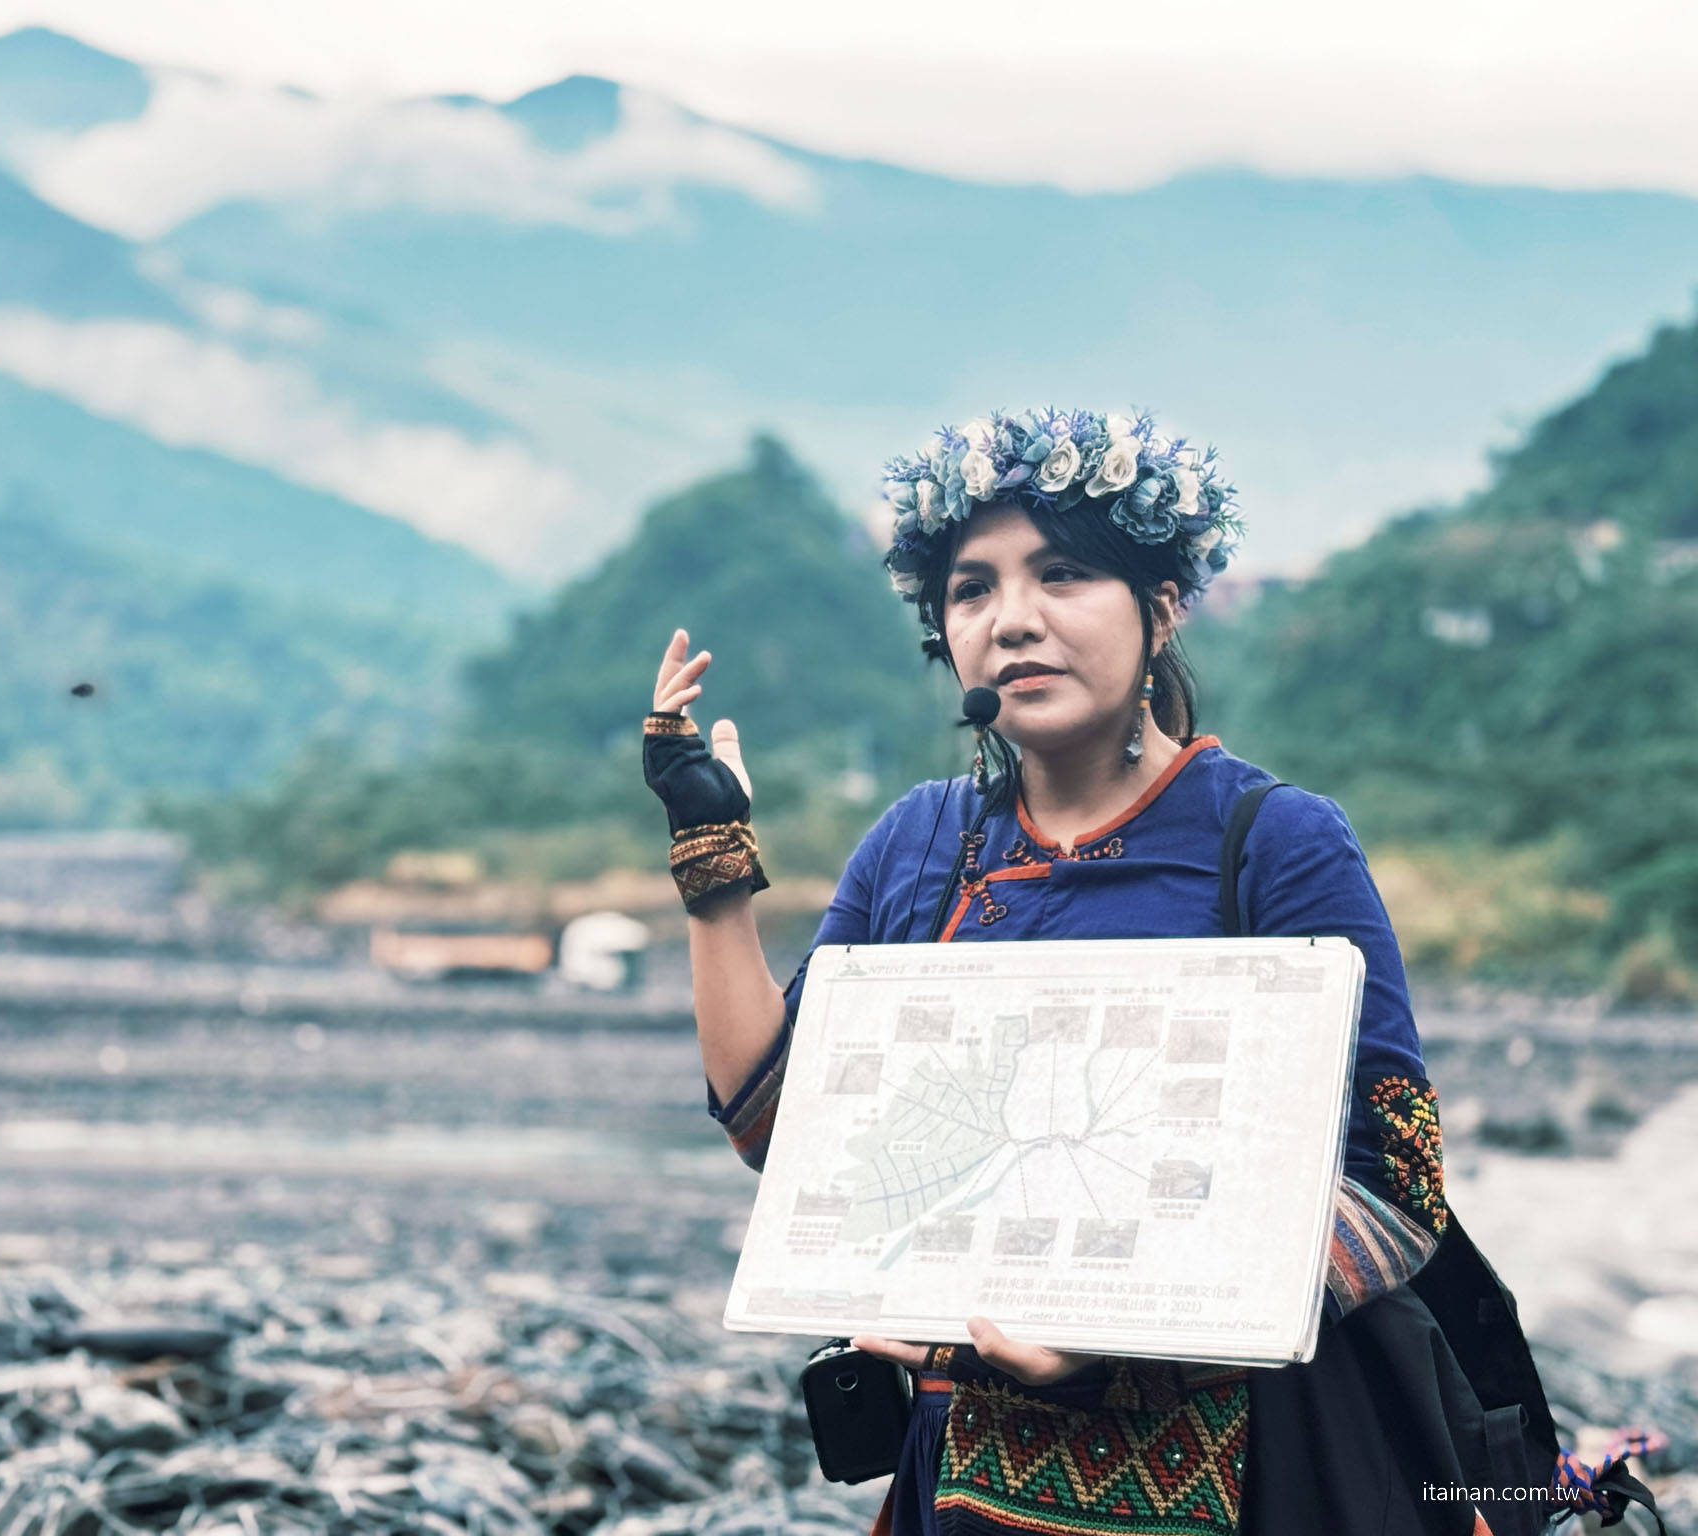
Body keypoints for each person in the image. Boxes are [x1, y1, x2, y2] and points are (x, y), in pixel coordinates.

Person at [640, 411, 1548, 1536]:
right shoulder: (919, 845)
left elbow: (1392, 1182)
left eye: (1061, 574)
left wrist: (1124, 1320)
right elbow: (781, 1133)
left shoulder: (1270, 841)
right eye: (970, 591)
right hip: (974, 1467)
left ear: (1160, 606)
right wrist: (712, 866)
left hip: (1257, 1464)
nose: (1012, 619)